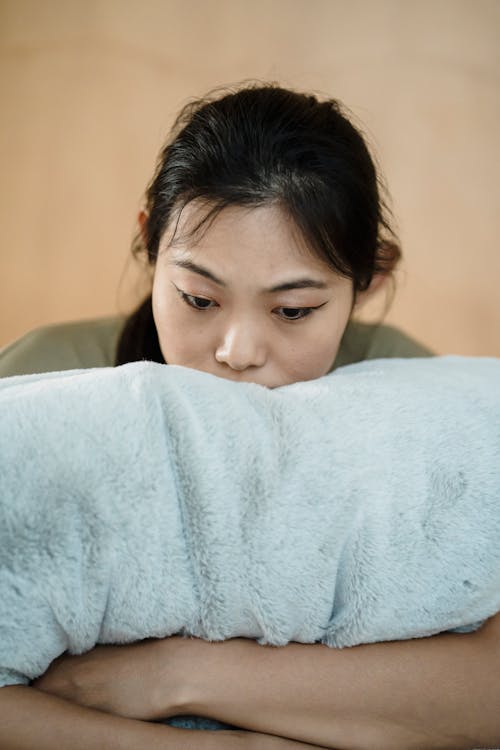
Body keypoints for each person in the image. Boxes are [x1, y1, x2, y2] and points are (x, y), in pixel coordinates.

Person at [0, 84, 498, 750]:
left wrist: (171, 673)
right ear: (150, 241)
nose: (237, 353)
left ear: (369, 278)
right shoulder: (47, 383)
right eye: (198, 298)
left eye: (292, 311)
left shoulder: (410, 402)